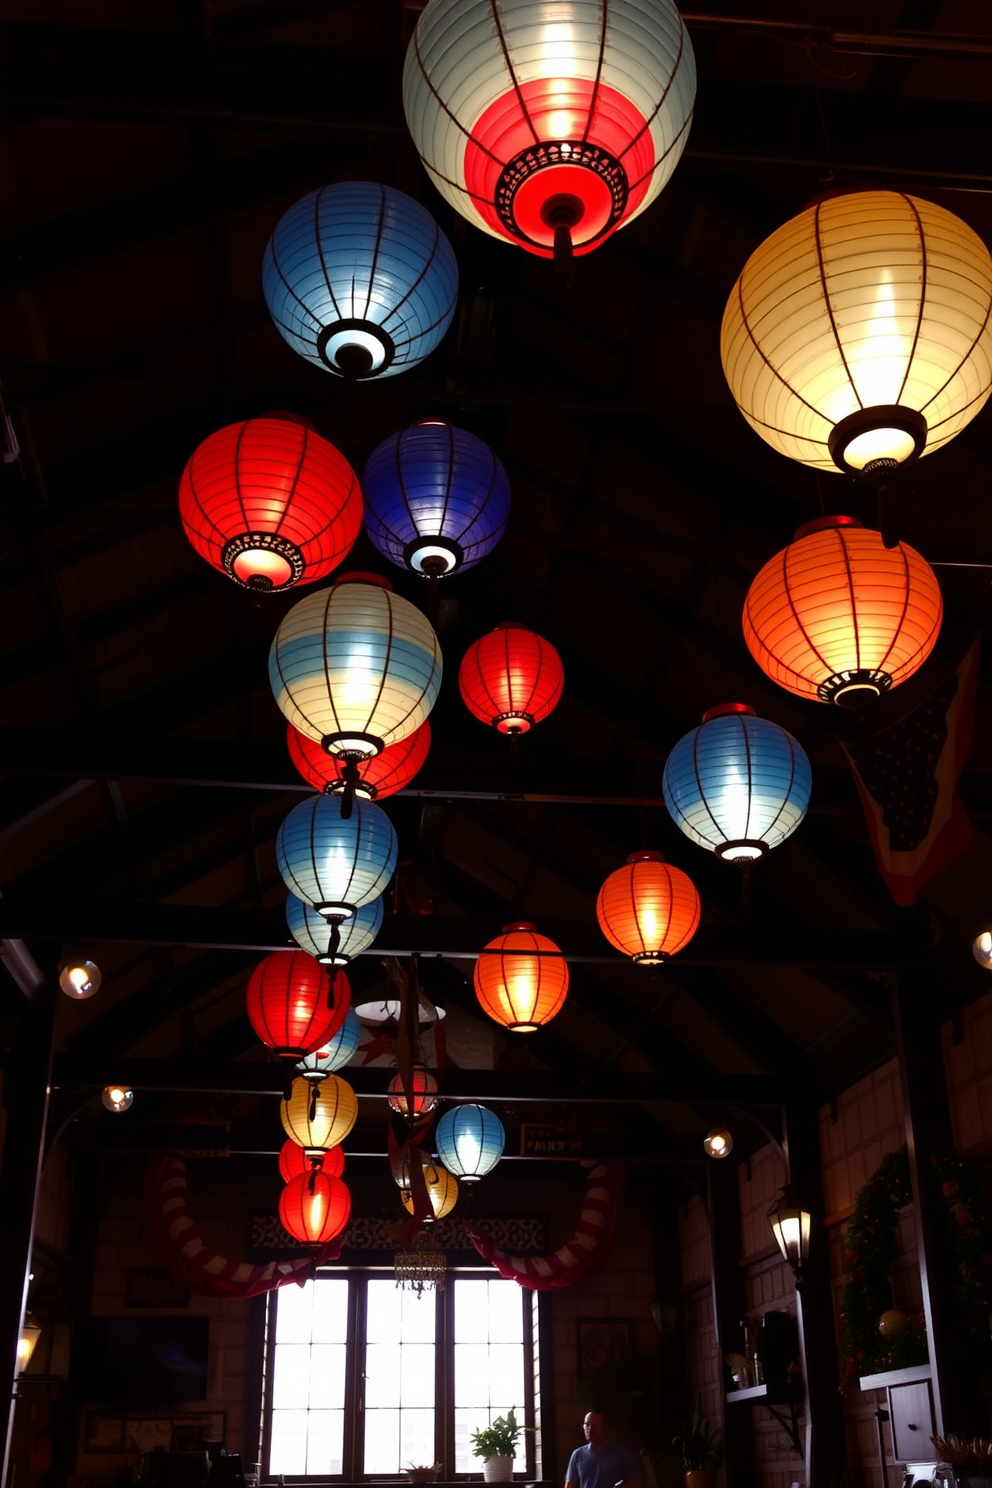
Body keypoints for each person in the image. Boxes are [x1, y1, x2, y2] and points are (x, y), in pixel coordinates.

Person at [564, 1411, 644, 1488]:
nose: (590, 1429)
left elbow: (635, 1483)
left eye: (594, 1425)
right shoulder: (578, 1455)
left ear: (605, 1427)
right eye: (587, 1425)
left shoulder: (623, 1455)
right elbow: (570, 1484)